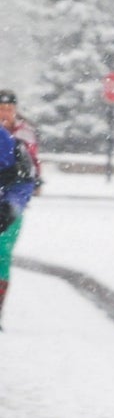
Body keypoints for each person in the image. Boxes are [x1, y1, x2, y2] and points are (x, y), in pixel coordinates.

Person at [0, 91, 41, 331]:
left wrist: (10, 207)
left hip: (9, 205)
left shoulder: (15, 140)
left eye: (8, 108)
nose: (5, 113)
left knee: (2, 256)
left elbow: (27, 173)